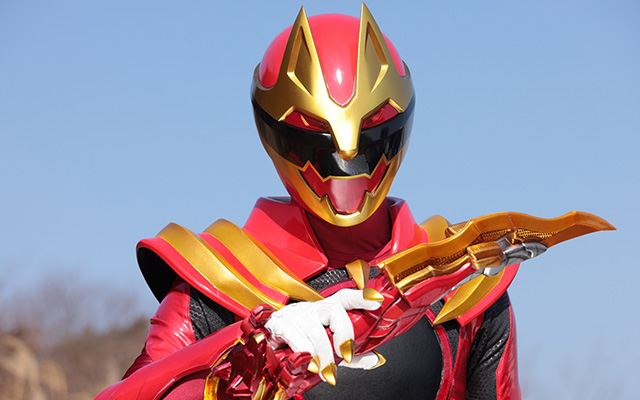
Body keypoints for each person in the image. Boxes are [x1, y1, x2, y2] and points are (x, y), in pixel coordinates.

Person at [95, 5, 613, 400]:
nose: (347, 171)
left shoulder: (464, 281)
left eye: (370, 141)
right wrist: (247, 348)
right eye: (319, 147)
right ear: (277, 135)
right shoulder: (215, 284)